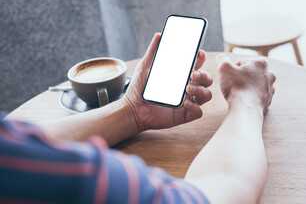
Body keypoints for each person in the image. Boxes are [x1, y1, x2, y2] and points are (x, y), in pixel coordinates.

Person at [0, 33, 276, 203]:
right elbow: (212, 197)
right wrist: (247, 100)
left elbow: (30, 145)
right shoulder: (75, 180)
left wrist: (132, 111)